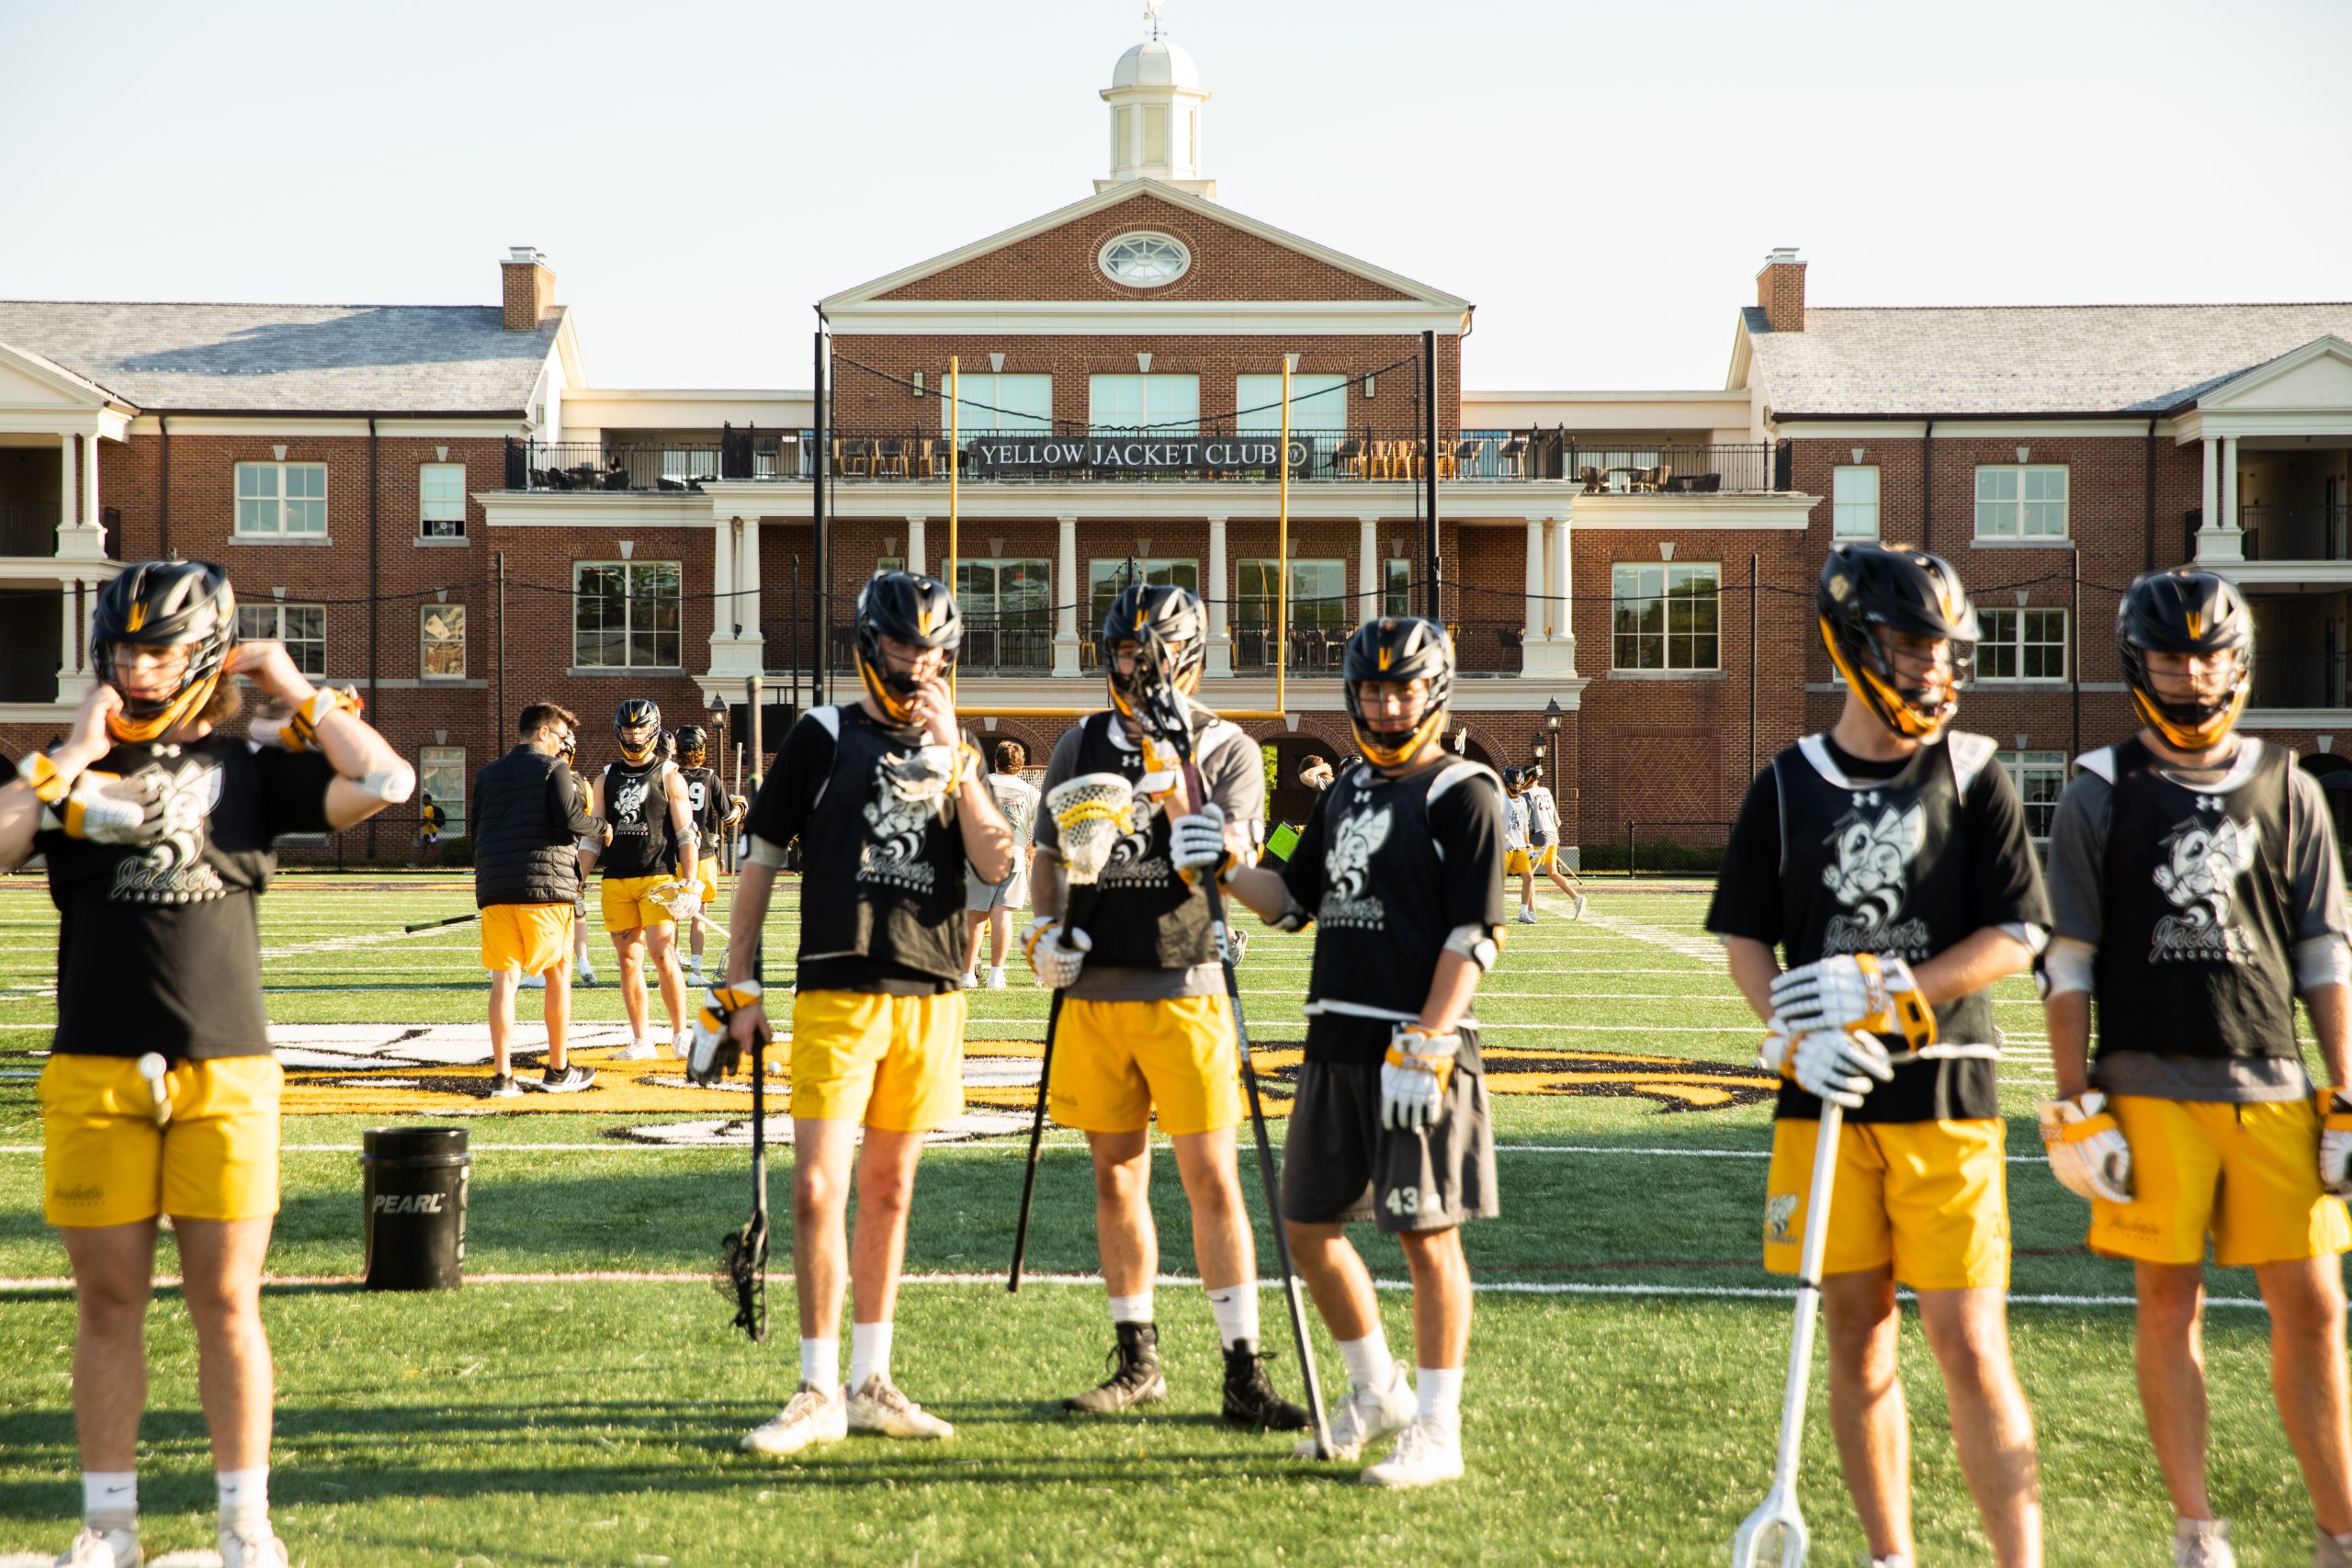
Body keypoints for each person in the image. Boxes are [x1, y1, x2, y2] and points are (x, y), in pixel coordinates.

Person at [1, 560, 410, 1568]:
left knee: (226, 1301)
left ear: (207, 652)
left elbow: (386, 782)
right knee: (107, 1305)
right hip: (94, 1068)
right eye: (126, 648)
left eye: (161, 648)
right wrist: (67, 757)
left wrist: (294, 685)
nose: (140, 668)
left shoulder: (251, 763)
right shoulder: (70, 767)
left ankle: (244, 1528)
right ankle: (108, 1527)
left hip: (224, 1071)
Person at [1706, 541, 2047, 1568]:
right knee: (1854, 1336)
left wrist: (1898, 989)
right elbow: (1742, 939)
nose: (1930, 668)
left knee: (1970, 1344)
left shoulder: (1975, 771)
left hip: (1944, 1097)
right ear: (1854, 643)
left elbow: (2016, 934)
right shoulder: (1785, 783)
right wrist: (1786, 1038)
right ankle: (1889, 1556)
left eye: (1942, 648)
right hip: (1823, 1109)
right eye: (1907, 645)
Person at [2039, 569, 2352, 1568]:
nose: (2189, 673)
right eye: (2170, 655)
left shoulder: (2288, 782)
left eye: (2206, 653)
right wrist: (2071, 1096)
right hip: (2144, 1085)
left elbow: (2322, 953)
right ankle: (2193, 1530)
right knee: (2167, 1301)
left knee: (2311, 1303)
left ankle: (2340, 1531)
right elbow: (2069, 960)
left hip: (2271, 1083)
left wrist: (2345, 1085)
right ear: (2138, 664)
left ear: (2238, 660)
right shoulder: (2098, 787)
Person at [711, 570, 1014, 1457]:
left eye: (931, 649)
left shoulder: (960, 746)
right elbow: (761, 857)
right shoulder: (823, 732)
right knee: (816, 1188)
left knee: (889, 1188)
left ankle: (871, 1379)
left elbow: (997, 863)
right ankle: (816, 1386)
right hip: (837, 982)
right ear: (869, 642)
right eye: (902, 645)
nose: (916, 663)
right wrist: (739, 981)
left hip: (930, 986)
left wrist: (959, 758)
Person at [1216, 615, 1505, 1487]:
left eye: (1402, 688)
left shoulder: (1466, 790)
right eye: (1373, 689)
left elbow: (1476, 931)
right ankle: (1376, 1386)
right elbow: (1287, 899)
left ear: (1434, 691)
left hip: (1415, 1044)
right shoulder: (1342, 790)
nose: (1386, 706)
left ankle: (1439, 1428)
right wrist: (1221, 863)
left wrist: (1433, 1034)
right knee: (1306, 1226)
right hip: (1332, 1035)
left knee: (1426, 1237)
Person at [1023, 584, 1308, 1432]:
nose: (1131, 669)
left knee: (1212, 1178)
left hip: (1186, 978)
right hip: (1096, 982)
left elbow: (1242, 856)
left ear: (1185, 653)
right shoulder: (1077, 742)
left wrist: (1169, 775)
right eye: (1120, 654)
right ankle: (1138, 1357)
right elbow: (1047, 852)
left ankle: (1242, 1367)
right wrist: (1043, 929)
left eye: (1144, 655)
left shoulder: (1228, 747)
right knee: (1117, 1176)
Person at [473, 703, 607, 1097]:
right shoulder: (554, 768)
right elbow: (570, 819)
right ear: (543, 733)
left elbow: (477, 830)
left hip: (497, 889)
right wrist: (603, 827)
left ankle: (503, 1076)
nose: (565, 745)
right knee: (558, 975)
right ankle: (558, 1069)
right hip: (546, 890)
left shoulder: (486, 774)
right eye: (562, 736)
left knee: (504, 980)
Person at [579, 698, 696, 1059]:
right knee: (628, 961)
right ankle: (642, 1040)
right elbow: (592, 837)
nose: (634, 734)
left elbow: (687, 835)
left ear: (654, 729)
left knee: (664, 955)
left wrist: (690, 883)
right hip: (616, 881)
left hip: (658, 879)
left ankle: (681, 1035)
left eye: (641, 727)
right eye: (628, 728)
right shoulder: (604, 778)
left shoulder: (669, 775)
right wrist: (575, 879)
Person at [962, 740, 1039, 989]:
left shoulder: (980, 784)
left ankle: (967, 975)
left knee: (975, 916)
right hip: (1014, 854)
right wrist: (1032, 847)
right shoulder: (1030, 791)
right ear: (1022, 765)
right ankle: (997, 975)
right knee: (1002, 915)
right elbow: (1047, 823)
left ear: (995, 761)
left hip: (981, 854)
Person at [673, 724, 737, 986]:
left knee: (672, 914)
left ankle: (672, 967)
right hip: (702, 852)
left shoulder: (669, 774)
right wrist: (740, 805)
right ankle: (696, 972)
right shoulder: (710, 777)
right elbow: (730, 816)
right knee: (699, 912)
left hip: (673, 852)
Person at [1519, 768, 1585, 920]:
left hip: (1538, 837)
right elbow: (1557, 820)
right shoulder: (1546, 791)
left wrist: (1526, 842)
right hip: (1553, 834)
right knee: (1552, 872)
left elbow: (1527, 822)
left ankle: (1531, 911)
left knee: (1528, 876)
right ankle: (1576, 898)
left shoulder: (1527, 795)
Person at [1500, 768, 1534, 923]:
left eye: (1518, 784)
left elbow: (1525, 826)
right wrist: (1505, 839)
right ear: (1507, 783)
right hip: (1504, 846)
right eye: (1513, 784)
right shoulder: (1500, 799)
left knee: (1528, 879)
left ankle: (1523, 912)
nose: (1516, 787)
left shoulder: (1522, 800)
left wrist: (1528, 845)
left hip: (1520, 847)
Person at [417, 791, 446, 868]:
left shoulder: (428, 808)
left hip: (431, 831)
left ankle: (439, 865)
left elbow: (426, 820)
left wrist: (416, 827)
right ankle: (418, 864)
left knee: (435, 847)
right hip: (427, 832)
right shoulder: (429, 808)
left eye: (424, 799)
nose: (423, 801)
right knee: (423, 848)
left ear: (428, 800)